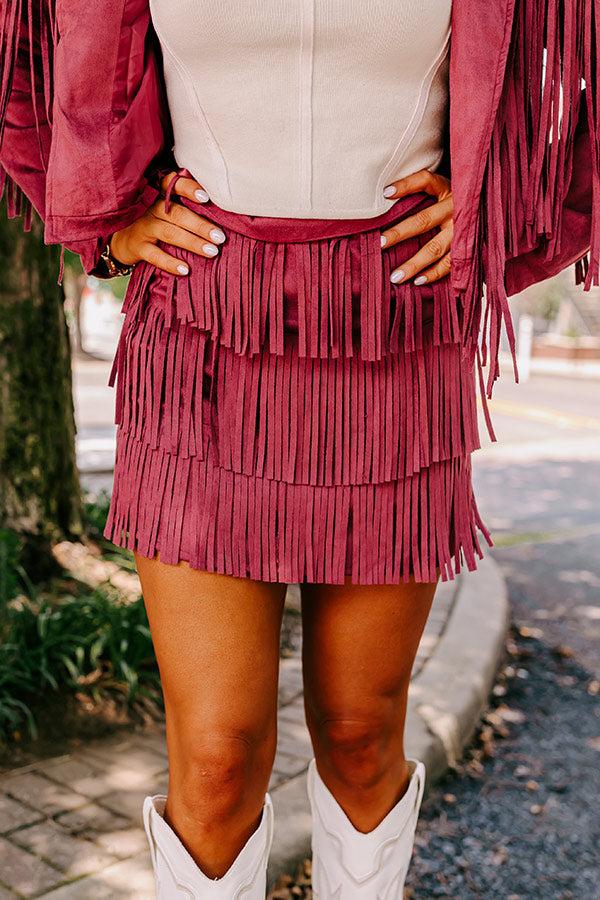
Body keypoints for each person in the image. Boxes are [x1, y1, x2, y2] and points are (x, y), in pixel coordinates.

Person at [0, 1, 596, 896]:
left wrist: (499, 202)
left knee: (361, 735)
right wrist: (101, 219)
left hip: (395, 334)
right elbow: (28, 63)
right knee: (215, 753)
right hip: (201, 337)